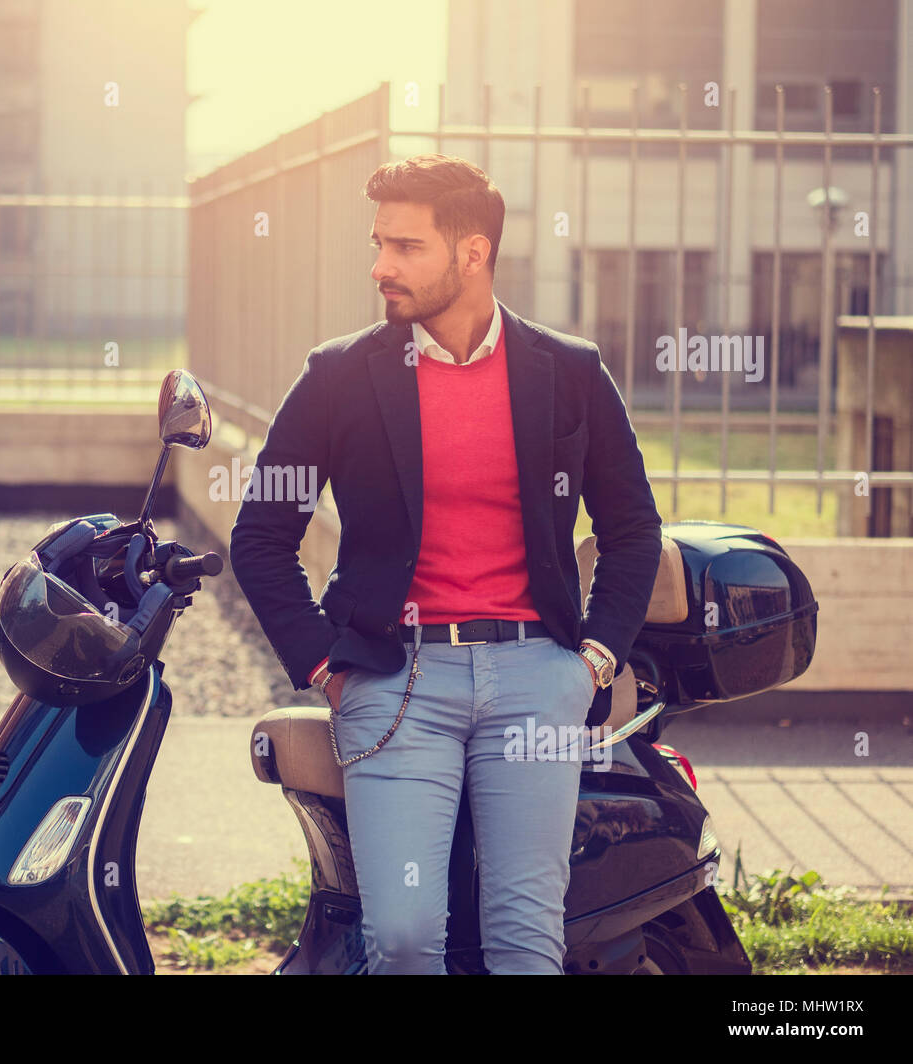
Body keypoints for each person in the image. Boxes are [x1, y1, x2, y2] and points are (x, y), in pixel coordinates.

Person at [229, 153, 662, 974]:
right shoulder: (338, 377)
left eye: (405, 247)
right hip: (397, 683)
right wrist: (326, 664)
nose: (380, 266)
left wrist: (593, 661)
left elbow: (634, 528)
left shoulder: (569, 372)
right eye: (378, 243)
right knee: (401, 938)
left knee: (526, 941)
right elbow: (259, 536)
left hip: (538, 674)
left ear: (473, 252)